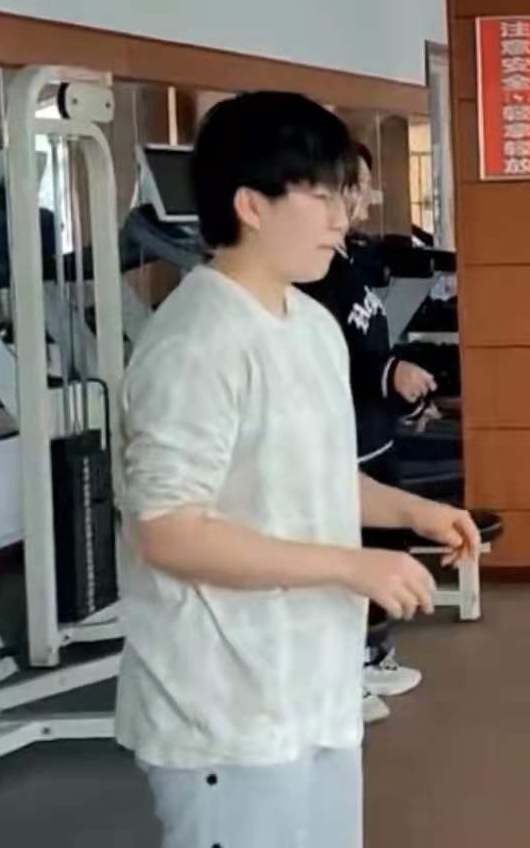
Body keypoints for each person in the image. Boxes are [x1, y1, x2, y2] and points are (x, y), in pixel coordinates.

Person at [118, 91, 480, 848]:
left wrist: (414, 513)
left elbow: (314, 477)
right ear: (251, 204)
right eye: (320, 197)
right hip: (224, 713)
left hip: (315, 689)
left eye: (343, 196)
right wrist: (351, 565)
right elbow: (171, 533)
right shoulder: (196, 343)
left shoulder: (311, 325)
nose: (341, 218)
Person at [294, 142, 445, 720]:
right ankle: (341, 668)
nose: (353, 205)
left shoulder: (343, 264)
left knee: (382, 543)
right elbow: (326, 359)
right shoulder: (304, 281)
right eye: (342, 190)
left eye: (357, 190)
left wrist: (400, 385)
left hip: (371, 433)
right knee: (347, 552)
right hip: (338, 443)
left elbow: (363, 344)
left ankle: (367, 655)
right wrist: (387, 374)